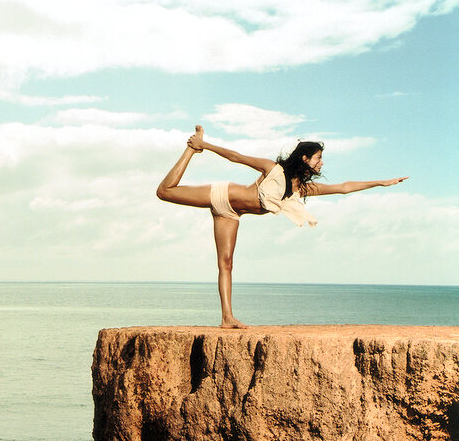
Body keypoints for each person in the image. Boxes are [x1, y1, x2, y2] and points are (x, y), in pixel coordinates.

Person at [156, 125, 408, 328]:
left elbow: (343, 187)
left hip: (231, 214)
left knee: (226, 263)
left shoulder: (303, 189)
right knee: (165, 192)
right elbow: (236, 157)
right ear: (305, 158)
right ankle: (190, 150)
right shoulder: (272, 169)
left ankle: (227, 318)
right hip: (222, 195)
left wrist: (381, 183)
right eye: (318, 158)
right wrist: (203, 145)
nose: (321, 164)